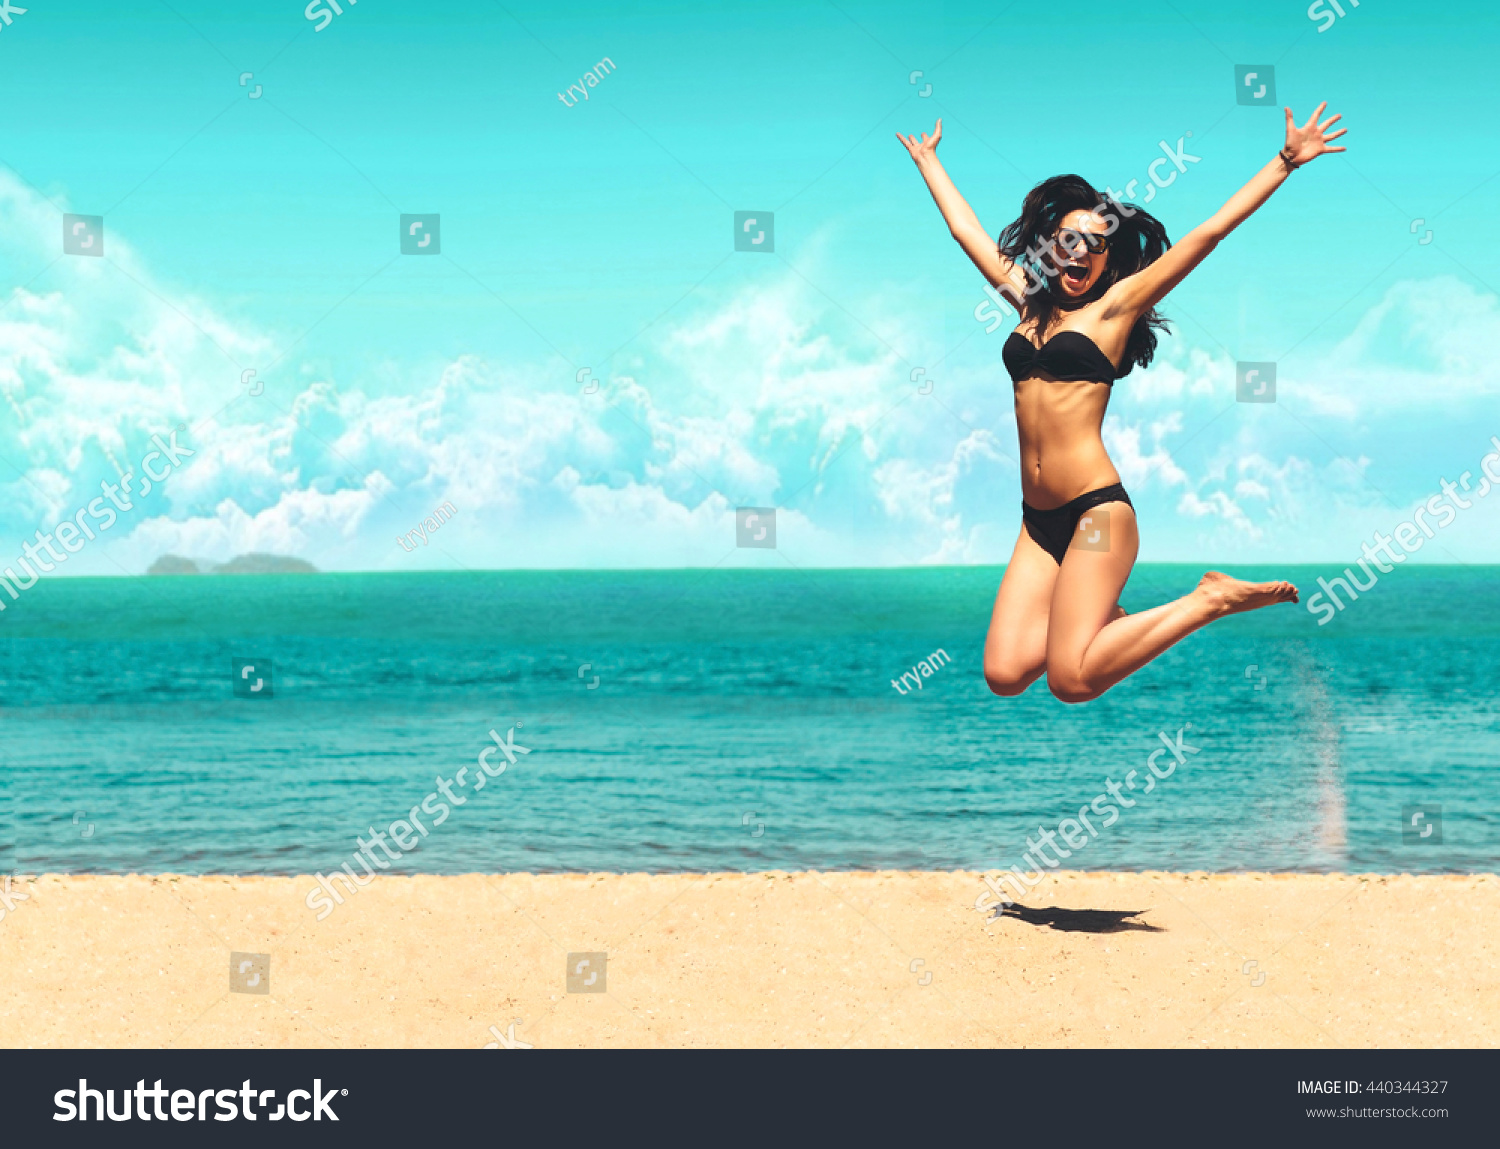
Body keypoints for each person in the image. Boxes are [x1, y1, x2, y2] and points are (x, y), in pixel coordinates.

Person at [897, 105, 1346, 702]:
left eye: (1096, 245)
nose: (1081, 251)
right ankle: (1103, 620)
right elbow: (966, 232)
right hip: (1037, 524)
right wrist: (929, 162)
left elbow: (1207, 233)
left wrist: (1285, 162)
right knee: (1004, 675)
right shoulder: (1028, 304)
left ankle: (1207, 599)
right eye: (1069, 240)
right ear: (1050, 247)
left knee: (1072, 681)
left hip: (1097, 515)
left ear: (1108, 261)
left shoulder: (1114, 310)